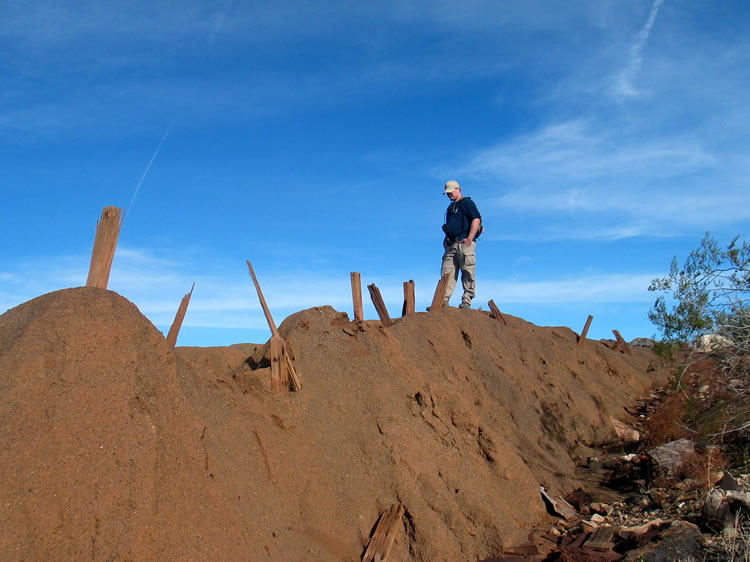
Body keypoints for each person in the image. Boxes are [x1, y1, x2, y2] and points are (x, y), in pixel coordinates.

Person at [440, 180, 482, 309]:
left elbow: (476, 219)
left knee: (467, 270)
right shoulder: (451, 208)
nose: (449, 195)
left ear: (458, 189)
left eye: (451, 192)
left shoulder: (467, 203)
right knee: (447, 271)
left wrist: (469, 238)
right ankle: (443, 301)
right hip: (451, 244)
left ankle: (467, 301)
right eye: (447, 193)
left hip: (464, 242)